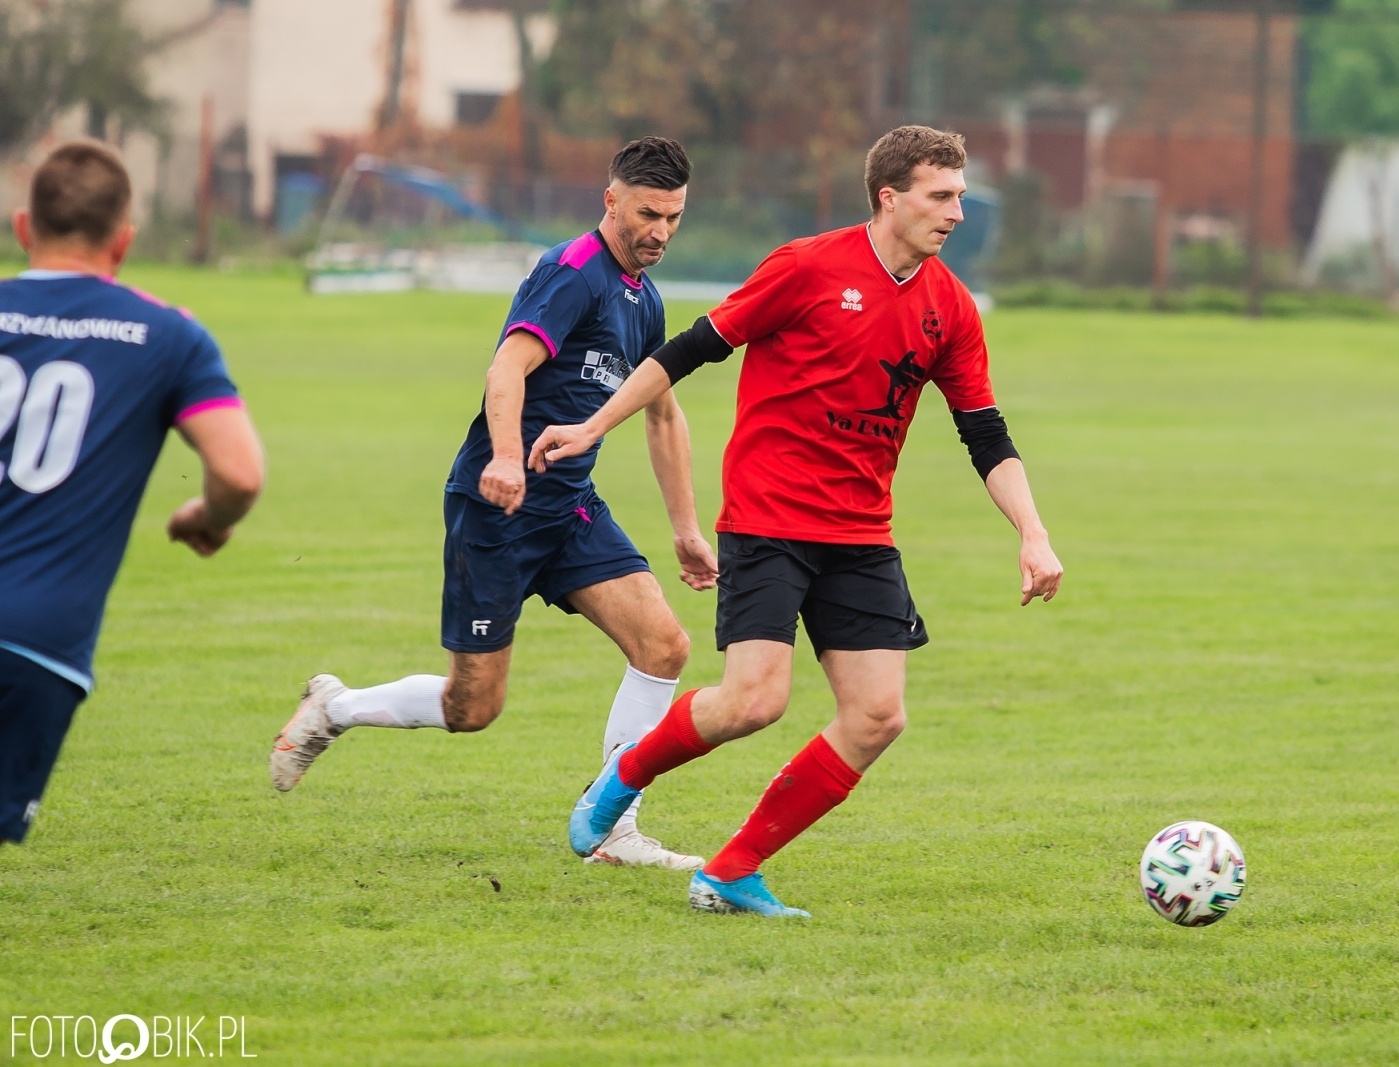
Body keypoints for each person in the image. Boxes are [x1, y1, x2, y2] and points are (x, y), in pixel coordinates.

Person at [535, 125, 1064, 916]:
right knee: (753, 702)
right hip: (770, 517)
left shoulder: (949, 305)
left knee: (879, 716)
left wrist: (1033, 530)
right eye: (940, 195)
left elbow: (984, 431)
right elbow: (688, 349)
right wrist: (590, 427)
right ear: (889, 197)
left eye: (958, 196)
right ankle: (627, 772)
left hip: (860, 533)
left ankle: (731, 870)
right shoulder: (809, 265)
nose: (956, 212)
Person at [271, 137, 718, 871]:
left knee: (663, 644)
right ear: (610, 200)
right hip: (497, 506)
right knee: (471, 707)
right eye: (648, 213)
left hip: (570, 508)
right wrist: (508, 458)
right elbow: (508, 363)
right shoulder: (574, 273)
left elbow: (663, 414)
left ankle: (613, 829)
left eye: (673, 217)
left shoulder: (646, 299)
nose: (661, 232)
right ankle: (335, 707)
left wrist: (686, 529)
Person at [0, 141, 264, 846]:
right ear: (124, 240)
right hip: (35, 642)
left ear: (23, 227)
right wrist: (204, 518)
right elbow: (240, 472)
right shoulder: (166, 335)